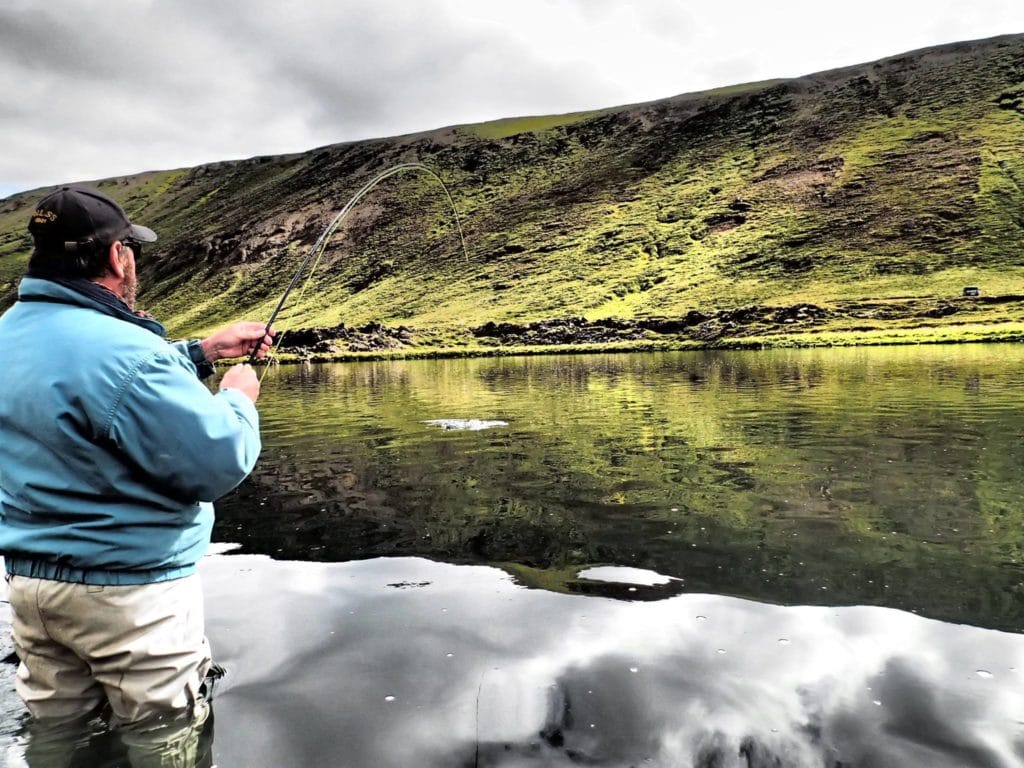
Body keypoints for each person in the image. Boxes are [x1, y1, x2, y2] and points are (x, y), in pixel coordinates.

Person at [0, 185, 274, 729]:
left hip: (29, 591)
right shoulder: (129, 353)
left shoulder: (7, 336)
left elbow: (81, 381)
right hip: (129, 597)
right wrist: (239, 399)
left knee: (58, 735)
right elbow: (217, 461)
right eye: (132, 249)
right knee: (165, 735)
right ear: (114, 255)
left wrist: (202, 352)